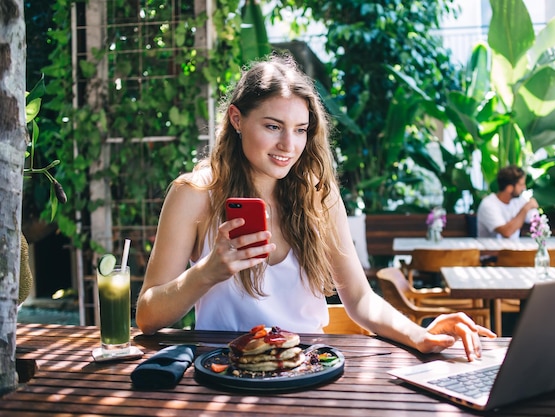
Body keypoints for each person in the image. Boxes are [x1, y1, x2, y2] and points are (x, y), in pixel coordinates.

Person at [135, 54, 495, 361]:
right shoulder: (195, 194)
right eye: (273, 126)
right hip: (226, 375)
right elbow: (147, 316)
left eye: (300, 129)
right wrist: (206, 272)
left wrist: (420, 333)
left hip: (308, 370)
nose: (288, 145)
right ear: (236, 119)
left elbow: (358, 299)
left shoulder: (319, 196)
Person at [476, 165, 539, 239]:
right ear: (509, 188)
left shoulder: (519, 200)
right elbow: (506, 232)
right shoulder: (488, 205)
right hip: (492, 250)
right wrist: (526, 208)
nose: (524, 187)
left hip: (514, 249)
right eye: (521, 185)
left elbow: (536, 220)